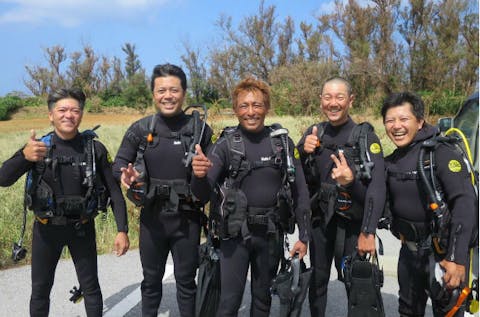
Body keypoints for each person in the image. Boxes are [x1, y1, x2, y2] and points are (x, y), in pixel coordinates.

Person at [0, 88, 130, 317]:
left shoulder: (94, 149)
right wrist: (24, 155)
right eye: (62, 110)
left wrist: (122, 230)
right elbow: (4, 179)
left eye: (74, 110)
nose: (68, 115)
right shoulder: (38, 148)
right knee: (40, 290)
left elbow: (114, 192)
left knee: (91, 288)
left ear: (81, 115)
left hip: (82, 229)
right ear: (50, 115)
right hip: (46, 230)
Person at [191, 76, 310, 317]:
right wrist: (199, 175)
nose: (251, 111)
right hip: (234, 236)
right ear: (235, 109)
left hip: (270, 234)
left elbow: (301, 192)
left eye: (257, 105)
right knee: (229, 302)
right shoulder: (225, 145)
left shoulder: (283, 144)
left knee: (262, 299)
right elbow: (200, 195)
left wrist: (304, 236)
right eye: (244, 106)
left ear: (266, 107)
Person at [113, 63, 213, 317]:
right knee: (151, 282)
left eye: (173, 90)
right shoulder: (141, 128)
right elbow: (119, 165)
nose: (167, 96)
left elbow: (209, 181)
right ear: (153, 93)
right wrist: (127, 176)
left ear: (184, 92)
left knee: (186, 282)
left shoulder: (199, 130)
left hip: (187, 219)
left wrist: (204, 171)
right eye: (161, 90)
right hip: (152, 219)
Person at [296, 76, 386, 316]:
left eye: (339, 97)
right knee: (317, 283)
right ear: (320, 100)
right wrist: (302, 151)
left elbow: (378, 188)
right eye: (327, 97)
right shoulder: (314, 133)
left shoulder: (364, 137)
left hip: (353, 226)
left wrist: (368, 231)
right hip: (320, 225)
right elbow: (297, 177)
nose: (333, 103)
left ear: (351, 100)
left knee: (356, 287)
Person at [382, 91, 476, 316]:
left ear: (420, 121)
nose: (397, 126)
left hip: (442, 254)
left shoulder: (441, 154)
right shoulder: (392, 161)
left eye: (404, 119)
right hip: (409, 253)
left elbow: (465, 203)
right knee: (407, 311)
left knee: (448, 312)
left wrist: (456, 258)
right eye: (390, 120)